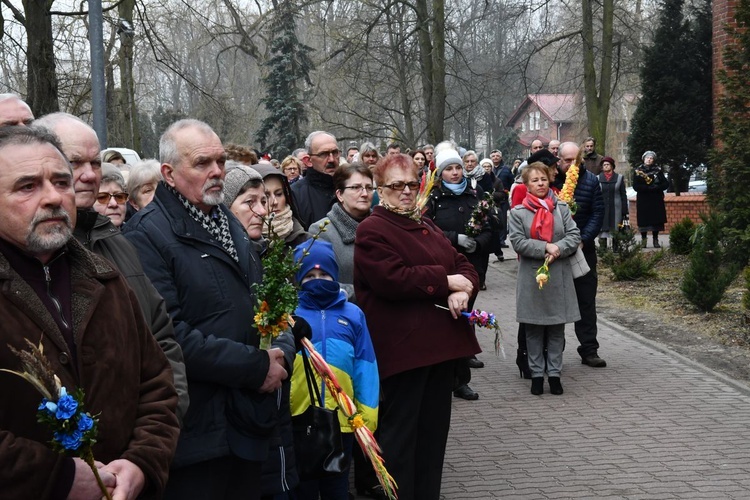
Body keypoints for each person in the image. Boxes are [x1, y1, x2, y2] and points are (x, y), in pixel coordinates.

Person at [0, 126, 179, 499]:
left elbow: (157, 385)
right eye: (27, 186)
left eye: (61, 182)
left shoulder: (106, 280)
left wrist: (141, 463)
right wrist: (56, 478)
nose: (53, 198)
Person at [123, 119, 295, 500]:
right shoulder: (147, 235)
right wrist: (256, 366)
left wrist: (282, 342)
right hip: (198, 433)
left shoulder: (225, 221)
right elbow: (169, 333)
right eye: (202, 163)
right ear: (168, 173)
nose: (217, 171)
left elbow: (258, 302)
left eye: (220, 161)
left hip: (245, 419)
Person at [34, 112, 190, 422]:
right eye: (74, 162)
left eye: (94, 162)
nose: (91, 175)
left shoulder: (118, 242)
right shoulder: (32, 251)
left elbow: (160, 337)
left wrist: (167, 417)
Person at [354, 153, 480, 500]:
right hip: (404, 352)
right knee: (401, 441)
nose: (406, 191)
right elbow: (392, 279)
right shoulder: (372, 229)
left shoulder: (426, 224)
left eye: (412, 183)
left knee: (433, 438)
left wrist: (463, 289)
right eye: (397, 186)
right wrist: (447, 281)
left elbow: (462, 265)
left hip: (440, 349)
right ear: (381, 189)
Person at [291, 240, 379, 500]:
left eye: (324, 274)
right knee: (302, 489)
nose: (317, 280)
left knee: (337, 489)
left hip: (342, 420)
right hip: (300, 420)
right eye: (309, 276)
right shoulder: (289, 314)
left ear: (335, 275)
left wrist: (366, 416)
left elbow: (366, 367)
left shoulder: (353, 314)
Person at [509, 162, 581, 396]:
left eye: (543, 179)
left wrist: (558, 248)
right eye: (534, 180)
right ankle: (537, 375)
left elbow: (574, 235)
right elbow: (518, 242)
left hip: (558, 274)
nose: (540, 184)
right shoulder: (518, 213)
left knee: (556, 329)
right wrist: (545, 247)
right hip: (532, 277)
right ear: (526, 184)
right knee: (534, 329)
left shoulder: (560, 208)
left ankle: (555, 375)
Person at [425, 148, 491, 400]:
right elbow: (428, 230)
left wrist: (480, 242)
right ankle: (445, 377)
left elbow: (489, 225)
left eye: (457, 168)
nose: (454, 172)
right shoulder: (433, 198)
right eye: (449, 169)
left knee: (463, 319)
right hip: (443, 267)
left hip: (471, 267)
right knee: (447, 322)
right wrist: (456, 239)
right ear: (440, 173)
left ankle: (461, 380)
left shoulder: (476, 194)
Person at [555, 142, 605, 368]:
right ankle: (555, 350)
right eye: (567, 160)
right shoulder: (550, 180)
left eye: (576, 160)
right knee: (555, 302)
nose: (572, 164)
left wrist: (583, 239)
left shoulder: (591, 181)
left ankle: (589, 349)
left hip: (583, 249)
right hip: (555, 251)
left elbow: (598, 213)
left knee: (586, 300)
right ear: (559, 160)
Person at [309, 162, 372, 301]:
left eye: (369, 187)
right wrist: (368, 295)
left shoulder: (382, 226)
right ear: (340, 194)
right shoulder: (321, 231)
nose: (365, 194)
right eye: (356, 187)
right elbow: (320, 283)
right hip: (346, 315)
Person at [253, 162, 310, 248]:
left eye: (279, 194)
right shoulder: (243, 245)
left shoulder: (307, 242)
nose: (274, 202)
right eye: (266, 196)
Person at [292, 131, 338, 228]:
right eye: (323, 154)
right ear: (308, 161)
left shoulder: (350, 186)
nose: (332, 159)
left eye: (335, 152)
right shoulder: (295, 194)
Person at [633, 151, 669, 248]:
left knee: (655, 220)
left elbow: (665, 184)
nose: (649, 159)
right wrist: (647, 188)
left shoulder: (658, 171)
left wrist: (657, 187)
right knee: (644, 221)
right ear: (644, 159)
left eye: (651, 158)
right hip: (643, 199)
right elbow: (635, 186)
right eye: (647, 158)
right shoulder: (638, 171)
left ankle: (655, 239)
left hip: (656, 199)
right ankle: (644, 240)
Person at [597, 156, 628, 249]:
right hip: (602, 208)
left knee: (616, 226)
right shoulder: (597, 178)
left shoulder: (619, 178)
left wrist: (624, 210)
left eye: (608, 164)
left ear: (612, 166)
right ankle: (603, 248)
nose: (606, 166)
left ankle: (616, 248)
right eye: (604, 165)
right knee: (602, 226)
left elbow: (623, 194)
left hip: (616, 208)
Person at [93, 163, 129, 228]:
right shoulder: (78, 237)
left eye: (119, 197)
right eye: (103, 197)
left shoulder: (136, 235)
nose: (114, 204)